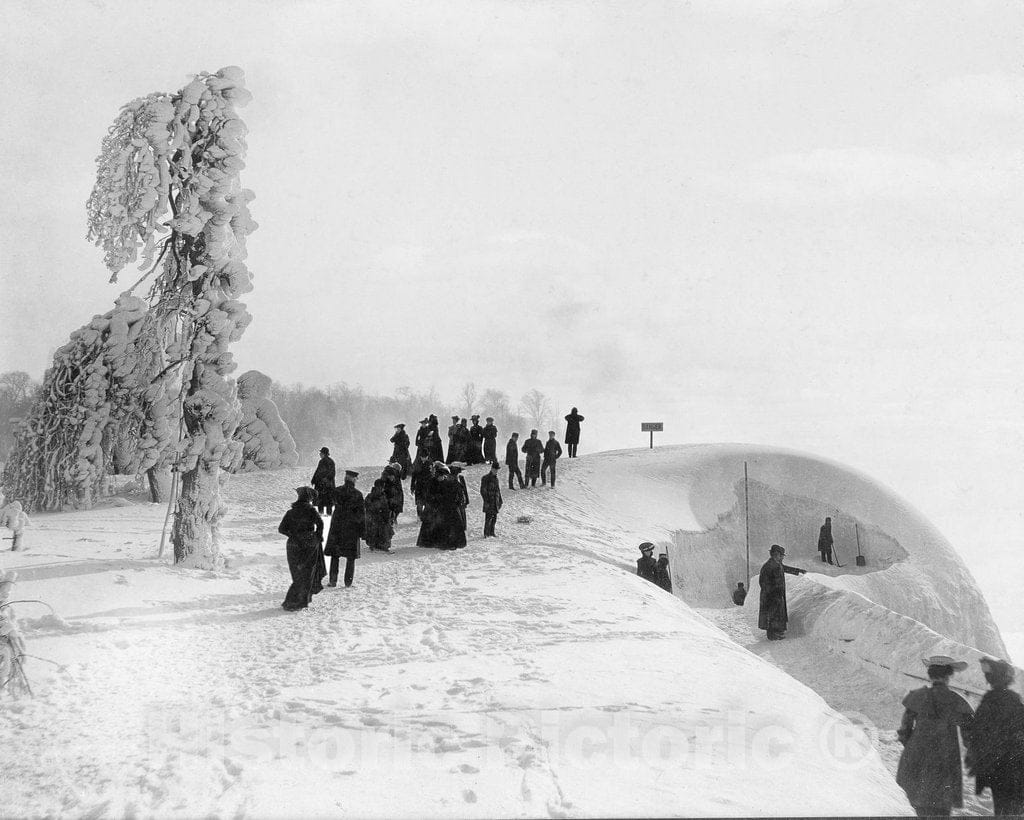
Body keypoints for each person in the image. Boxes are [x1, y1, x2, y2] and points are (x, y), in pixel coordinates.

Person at [896, 655, 975, 817]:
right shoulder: (956, 701)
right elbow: (970, 733)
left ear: (930, 675)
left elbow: (904, 730)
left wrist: (913, 747)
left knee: (915, 803)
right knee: (940, 806)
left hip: (916, 757)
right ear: (948, 676)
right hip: (944, 758)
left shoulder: (917, 696)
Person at [966, 657, 1024, 816]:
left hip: (996, 767)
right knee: (1015, 808)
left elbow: (976, 733)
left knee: (1002, 807)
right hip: (1015, 766)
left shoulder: (987, 701)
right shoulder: (1014, 700)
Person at [278, 487, 324, 610]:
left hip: (293, 545)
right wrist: (317, 537)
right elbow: (320, 524)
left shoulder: (290, 512)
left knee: (297, 574)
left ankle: (293, 601)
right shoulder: (311, 511)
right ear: (309, 499)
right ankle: (299, 601)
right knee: (307, 573)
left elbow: (281, 529)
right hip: (309, 544)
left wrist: (293, 535)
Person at [324, 470, 364, 587]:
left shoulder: (337, 491)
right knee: (350, 557)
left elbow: (329, 501)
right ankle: (348, 582)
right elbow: (361, 514)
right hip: (352, 527)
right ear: (354, 480)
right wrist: (362, 530)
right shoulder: (358, 494)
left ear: (345, 479)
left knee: (335, 555)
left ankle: (333, 580)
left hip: (337, 526)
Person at [757, 544, 806, 640]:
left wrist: (799, 571)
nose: (782, 557)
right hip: (771, 595)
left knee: (777, 614)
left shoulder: (776, 564)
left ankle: (776, 632)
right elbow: (763, 582)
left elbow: (785, 568)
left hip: (776, 594)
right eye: (781, 555)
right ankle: (772, 635)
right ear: (776, 554)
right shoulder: (769, 566)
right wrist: (772, 593)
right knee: (772, 614)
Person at [363, 479, 394, 552]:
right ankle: (375, 544)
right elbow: (367, 506)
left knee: (382, 530)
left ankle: (379, 544)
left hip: (379, 517)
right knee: (376, 530)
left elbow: (385, 507)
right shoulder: (373, 496)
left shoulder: (381, 495)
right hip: (375, 517)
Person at [311, 446, 336, 516]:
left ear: (324, 453)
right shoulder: (331, 461)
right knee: (329, 503)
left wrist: (316, 480)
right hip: (328, 486)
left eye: (321, 453)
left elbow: (320, 473)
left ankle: (322, 516)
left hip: (322, 486)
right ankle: (328, 515)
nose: (320, 454)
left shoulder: (323, 461)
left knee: (321, 503)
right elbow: (332, 473)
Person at [480, 461, 503, 537]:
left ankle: (492, 532)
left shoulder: (496, 479)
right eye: (495, 469)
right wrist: (486, 500)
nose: (496, 471)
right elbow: (483, 491)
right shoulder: (485, 478)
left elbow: (498, 490)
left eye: (497, 469)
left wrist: (500, 500)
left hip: (495, 501)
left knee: (494, 518)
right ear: (492, 468)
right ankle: (486, 533)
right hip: (489, 501)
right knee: (488, 518)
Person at [410, 451, 433, 519]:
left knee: (427, 503)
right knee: (419, 503)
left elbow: (432, 475)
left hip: (427, 486)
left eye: (425, 457)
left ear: (427, 457)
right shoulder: (417, 464)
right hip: (419, 486)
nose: (423, 458)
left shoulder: (430, 464)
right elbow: (414, 476)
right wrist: (412, 487)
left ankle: (425, 517)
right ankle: (419, 517)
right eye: (422, 457)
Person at [449, 463, 470, 534]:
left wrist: (467, 500)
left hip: (462, 500)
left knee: (463, 516)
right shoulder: (450, 479)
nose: (457, 474)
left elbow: (465, 490)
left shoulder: (461, 478)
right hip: (454, 501)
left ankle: (463, 530)